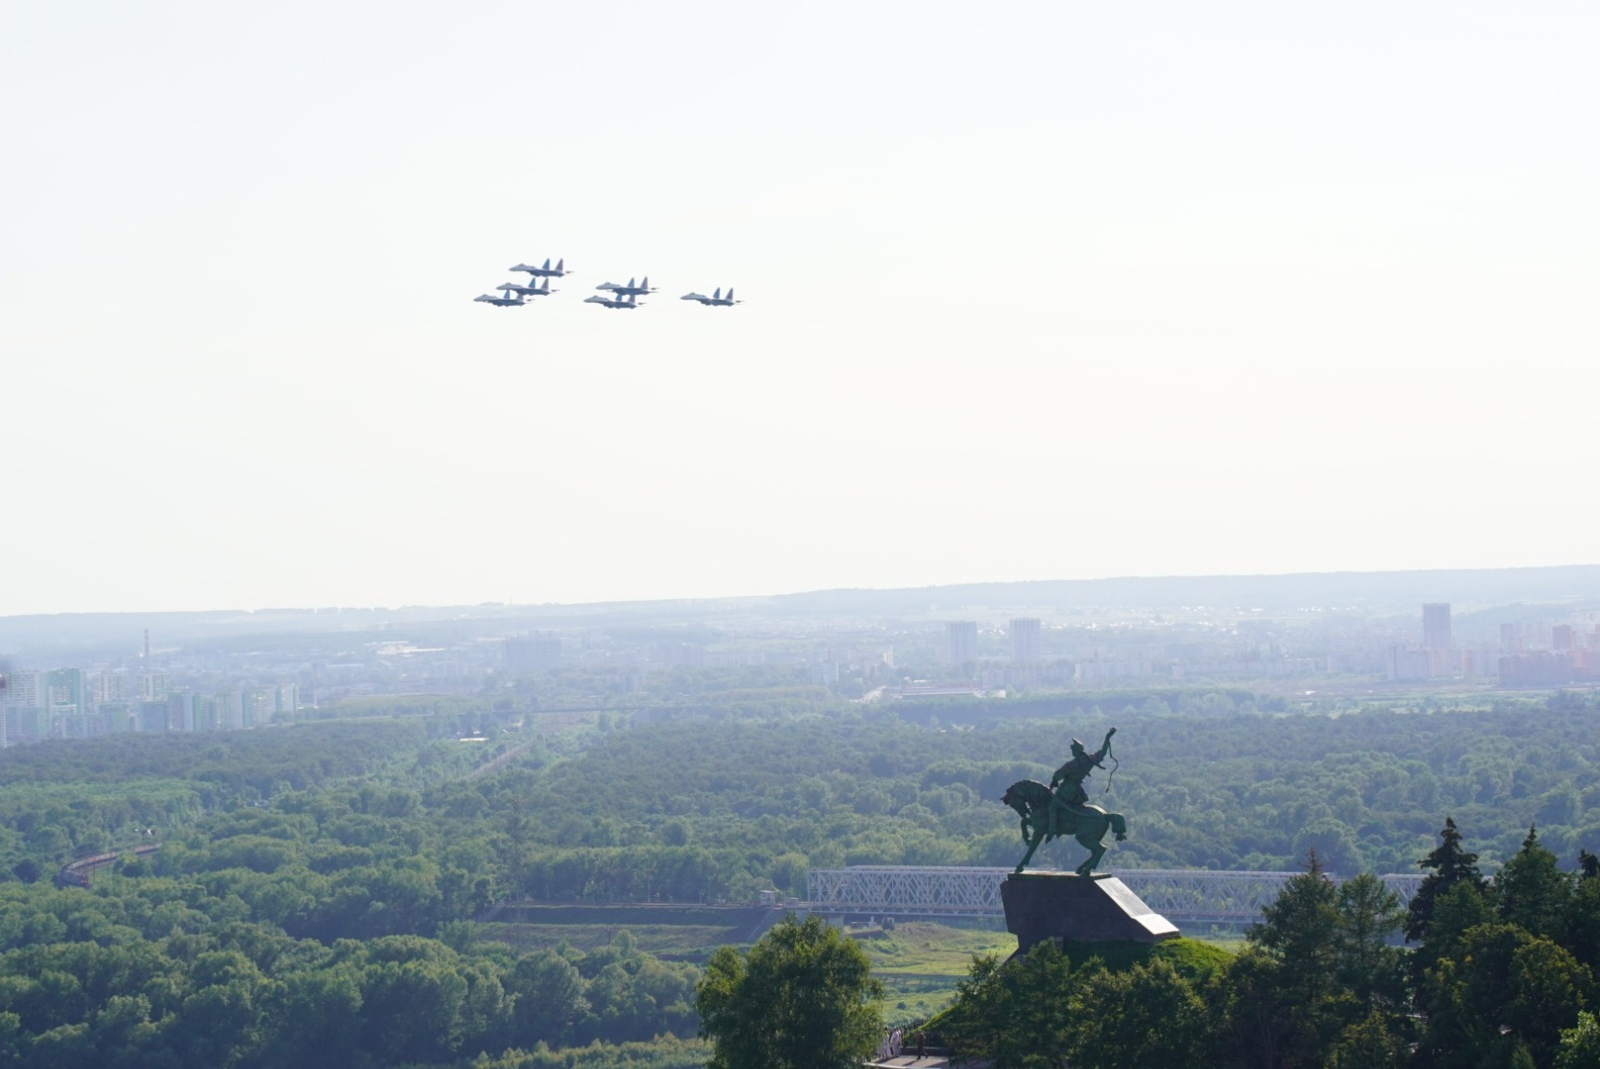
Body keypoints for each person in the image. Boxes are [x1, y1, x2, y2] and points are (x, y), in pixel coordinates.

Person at [1047, 727, 1115, 837]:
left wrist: (1053, 781)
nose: (1072, 751)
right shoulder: (1089, 760)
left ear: (1076, 751)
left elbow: (1057, 775)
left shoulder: (1071, 765)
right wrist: (1107, 738)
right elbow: (1103, 753)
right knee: (1073, 806)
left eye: (1073, 749)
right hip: (1077, 791)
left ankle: (1052, 829)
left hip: (1066, 790)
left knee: (1052, 806)